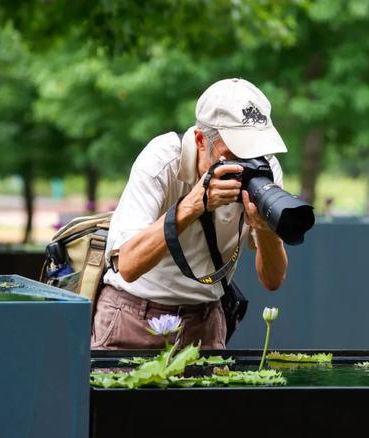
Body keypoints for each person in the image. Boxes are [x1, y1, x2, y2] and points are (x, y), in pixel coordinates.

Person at [90, 78, 289, 350]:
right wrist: (192, 205)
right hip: (133, 317)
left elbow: (272, 280)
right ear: (200, 140)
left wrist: (264, 229)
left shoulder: (266, 171)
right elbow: (128, 265)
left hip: (205, 322)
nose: (247, 164)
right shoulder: (162, 161)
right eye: (234, 154)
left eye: (255, 152)